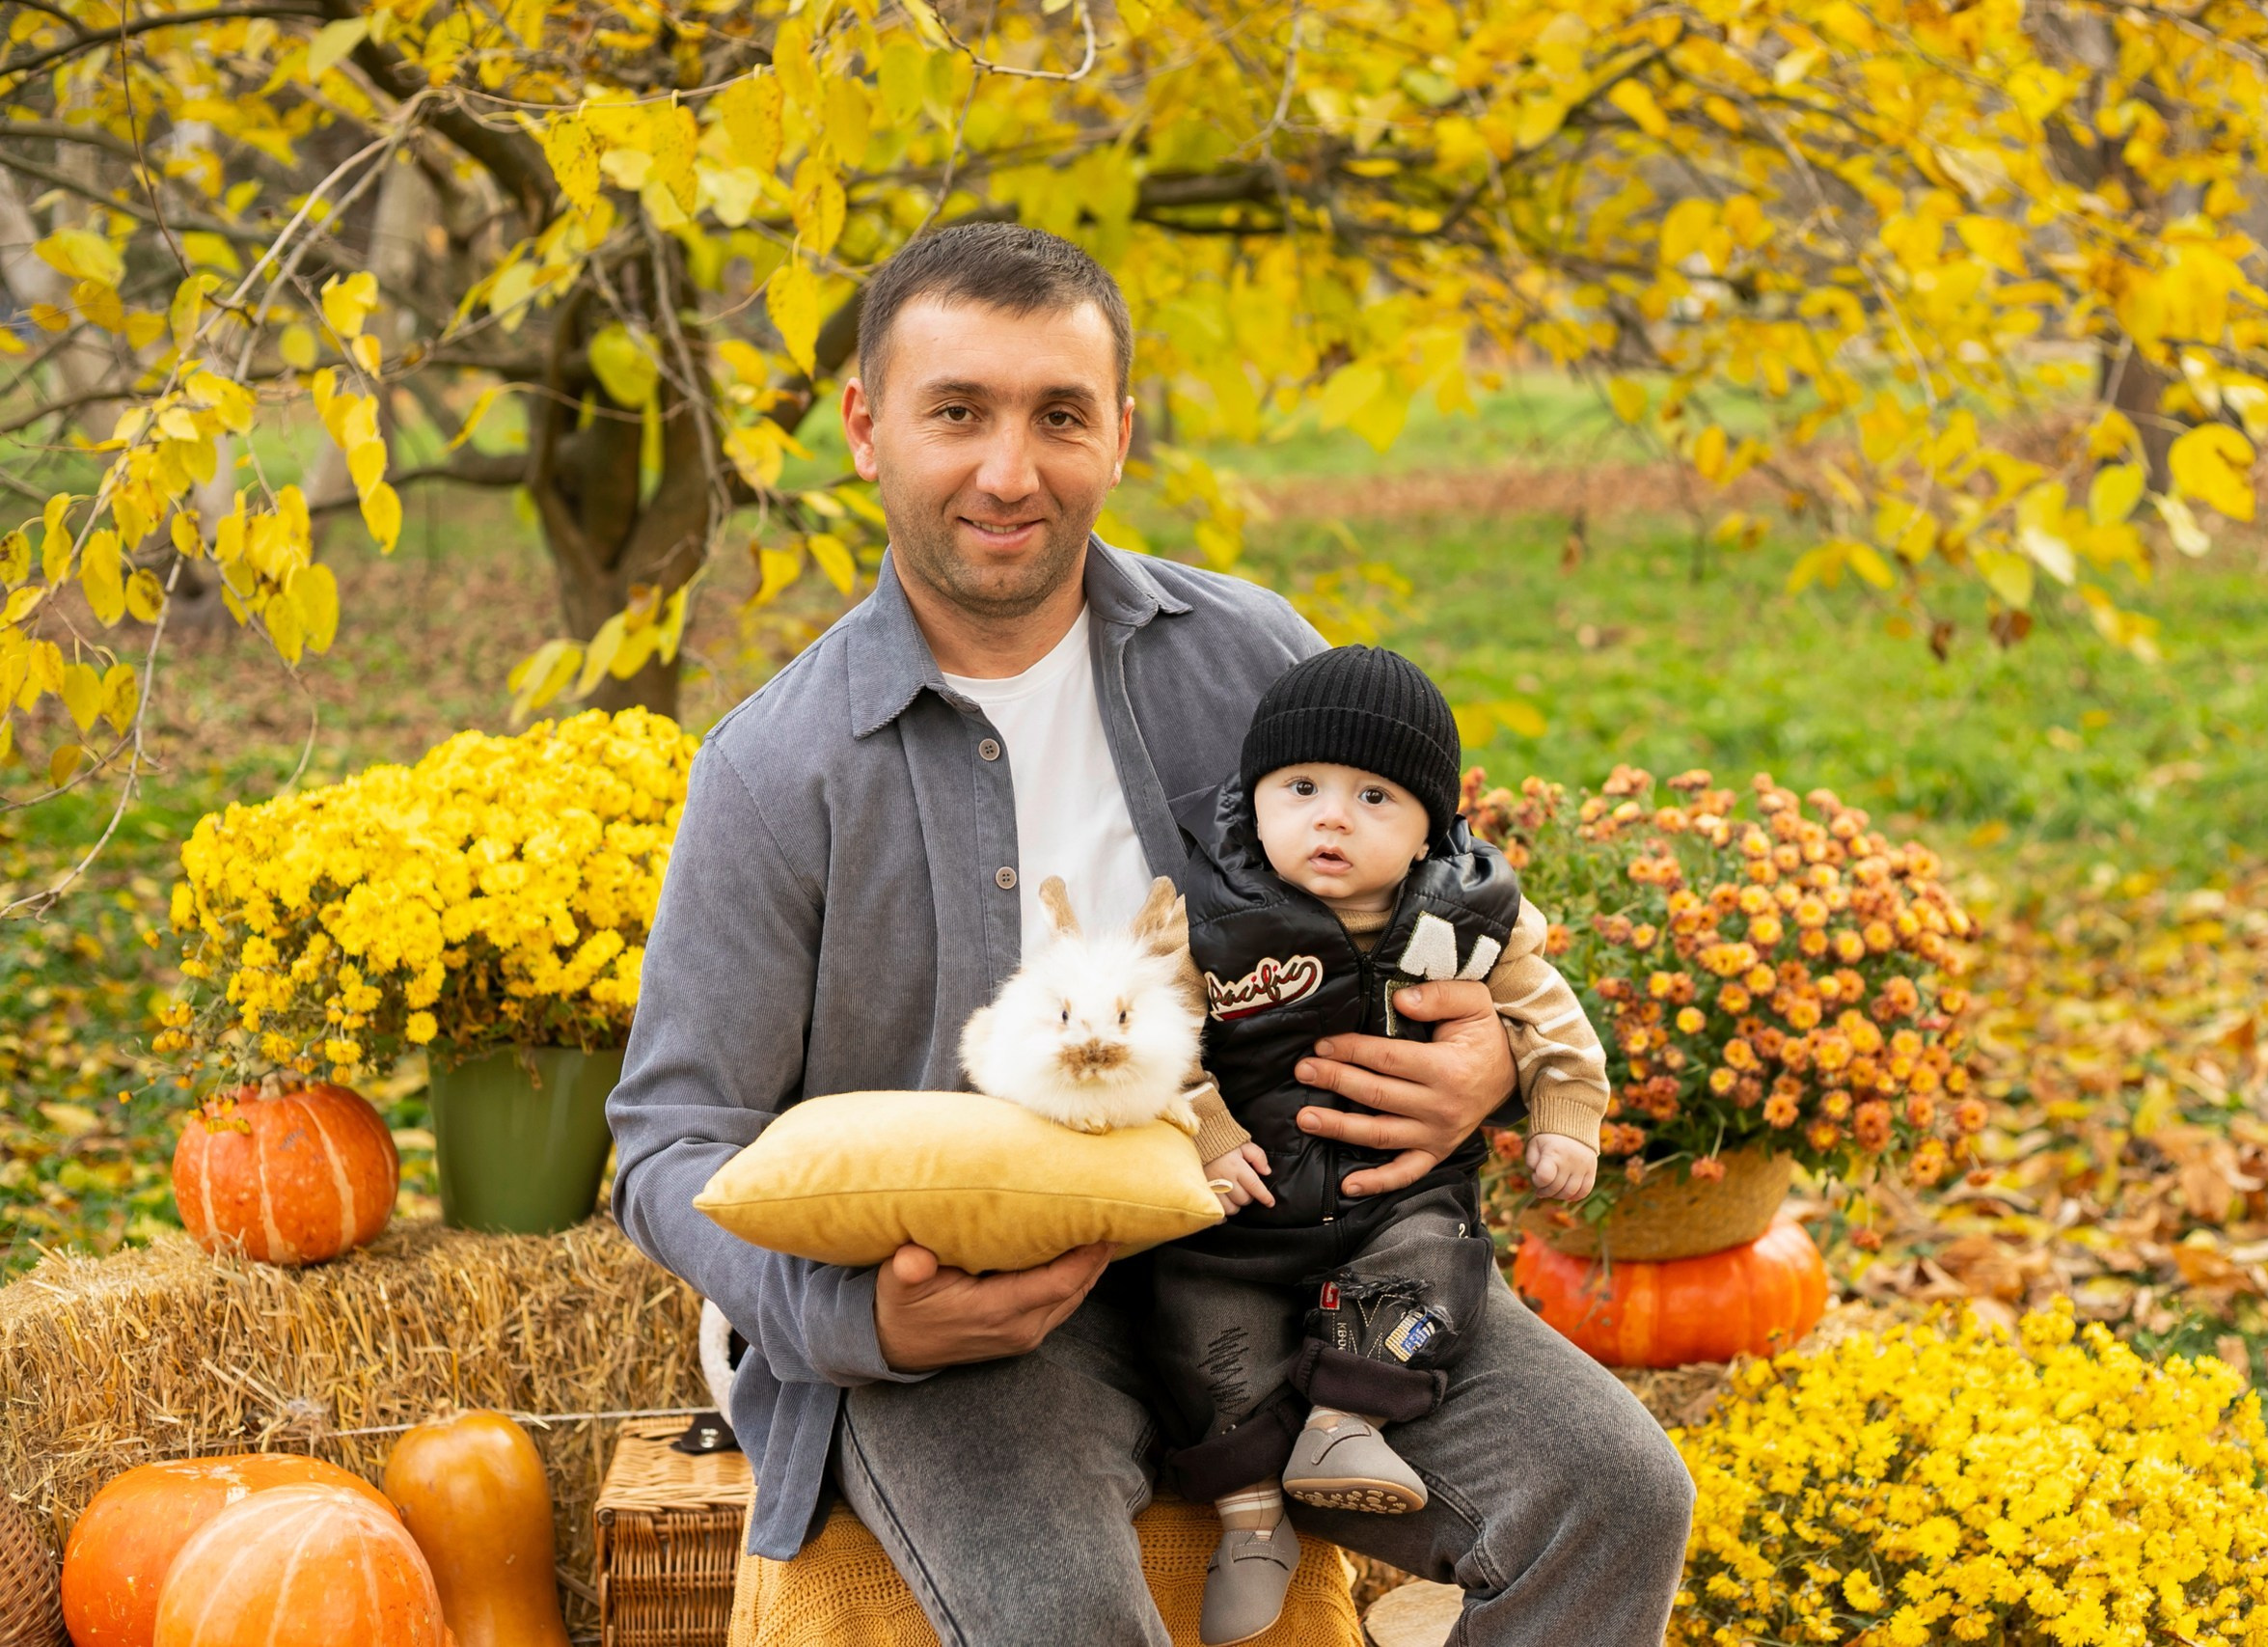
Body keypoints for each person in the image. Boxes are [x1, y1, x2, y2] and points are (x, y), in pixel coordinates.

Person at [607, 221, 1695, 1647]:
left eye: (1060, 415)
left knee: (1616, 1496)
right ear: (867, 430)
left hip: (1304, 1254)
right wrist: (862, 1324)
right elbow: (670, 1141)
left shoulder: (1255, 657)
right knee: (1064, 1612)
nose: (1011, 471)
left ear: (1121, 431)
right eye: (957, 412)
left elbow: (1447, 890)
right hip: (984, 1331)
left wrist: (1487, 1061)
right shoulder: (775, 769)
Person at [1153, 643, 1611, 1645]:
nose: (1332, 818)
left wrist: (1564, 1112)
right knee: (1199, 1330)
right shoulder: (1211, 917)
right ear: (1253, 802)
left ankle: (1345, 1425)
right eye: (1302, 789)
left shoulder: (1472, 922)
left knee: (1438, 1264)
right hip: (1245, 1210)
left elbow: (1547, 1017)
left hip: (1395, 1200)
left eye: (1375, 799)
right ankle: (1251, 1524)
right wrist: (1210, 1132)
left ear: (1427, 832)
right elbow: (1158, 1035)